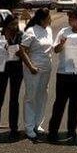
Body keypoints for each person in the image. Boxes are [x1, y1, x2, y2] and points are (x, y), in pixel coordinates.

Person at [48, 6, 77, 142]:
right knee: (60, 103)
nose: (69, 20)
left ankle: (71, 130)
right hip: (64, 73)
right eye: (68, 18)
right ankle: (53, 131)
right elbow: (56, 50)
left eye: (71, 18)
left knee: (75, 103)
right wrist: (61, 44)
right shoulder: (64, 32)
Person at [0, 13, 35, 141]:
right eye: (12, 24)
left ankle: (13, 128)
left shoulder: (20, 35)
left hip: (16, 68)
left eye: (16, 24)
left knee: (14, 99)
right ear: (6, 24)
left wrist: (28, 62)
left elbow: (24, 52)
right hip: (2, 69)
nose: (14, 26)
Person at [20, 8, 53, 140]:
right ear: (42, 19)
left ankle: (37, 124)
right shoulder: (30, 31)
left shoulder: (48, 30)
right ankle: (29, 127)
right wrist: (31, 66)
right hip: (33, 70)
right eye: (48, 17)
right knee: (31, 97)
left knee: (42, 96)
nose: (50, 19)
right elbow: (22, 51)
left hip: (46, 69)